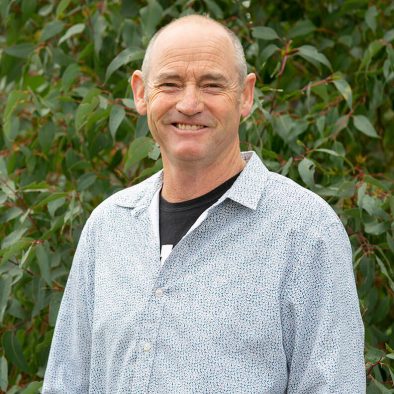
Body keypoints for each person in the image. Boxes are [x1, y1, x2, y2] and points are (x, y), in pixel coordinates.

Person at [43, 15, 365, 393]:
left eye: (212, 85)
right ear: (140, 93)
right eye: (170, 84)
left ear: (245, 96)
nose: (190, 103)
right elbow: (66, 383)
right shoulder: (108, 226)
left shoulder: (306, 231)